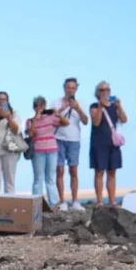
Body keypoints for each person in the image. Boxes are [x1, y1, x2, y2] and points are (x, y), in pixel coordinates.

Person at [27, 96, 69, 210]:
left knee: (50, 178)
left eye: (41, 105)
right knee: (38, 178)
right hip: (38, 151)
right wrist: (36, 117)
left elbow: (65, 123)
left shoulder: (50, 118)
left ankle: (53, 204)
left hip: (52, 150)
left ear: (45, 106)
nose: (39, 107)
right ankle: (36, 205)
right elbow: (30, 133)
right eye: (36, 105)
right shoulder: (30, 121)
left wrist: (58, 113)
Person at [52, 78, 88, 211]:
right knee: (59, 170)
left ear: (76, 89)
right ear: (64, 88)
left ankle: (75, 201)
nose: (70, 90)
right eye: (68, 87)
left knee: (73, 170)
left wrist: (77, 108)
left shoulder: (80, 103)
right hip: (58, 138)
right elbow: (52, 119)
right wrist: (63, 107)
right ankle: (62, 201)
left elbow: (85, 121)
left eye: (73, 88)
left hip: (74, 140)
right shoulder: (56, 102)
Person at [90, 81, 128, 207]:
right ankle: (100, 201)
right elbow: (96, 122)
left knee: (112, 171)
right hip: (99, 142)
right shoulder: (94, 106)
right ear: (98, 92)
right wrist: (101, 107)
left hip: (112, 143)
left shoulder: (114, 106)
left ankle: (112, 201)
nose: (105, 92)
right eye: (102, 90)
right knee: (99, 171)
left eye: (107, 90)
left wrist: (119, 105)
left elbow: (124, 119)